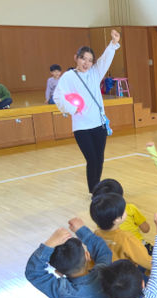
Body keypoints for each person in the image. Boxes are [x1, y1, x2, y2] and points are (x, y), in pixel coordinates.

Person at [53, 29, 121, 193]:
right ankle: (94, 191)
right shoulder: (69, 77)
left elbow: (105, 60)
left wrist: (113, 43)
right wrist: (73, 109)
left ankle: (96, 188)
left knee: (99, 159)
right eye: (83, 58)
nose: (86, 62)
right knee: (92, 159)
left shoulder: (95, 73)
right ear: (76, 58)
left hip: (99, 124)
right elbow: (57, 96)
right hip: (82, 127)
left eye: (90, 60)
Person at [25, 218, 112, 298]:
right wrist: (82, 230)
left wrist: (50, 243)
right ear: (87, 256)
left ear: (58, 272)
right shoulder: (104, 274)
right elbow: (103, 251)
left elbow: (33, 272)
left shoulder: (63, 292)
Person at [91, 192, 157, 281]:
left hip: (107, 274)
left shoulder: (96, 233)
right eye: (124, 210)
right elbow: (147, 261)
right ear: (117, 219)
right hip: (125, 278)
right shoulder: (126, 238)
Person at [92, 179, 152, 253]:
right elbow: (146, 229)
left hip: (114, 251)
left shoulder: (101, 214)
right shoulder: (130, 208)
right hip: (137, 247)